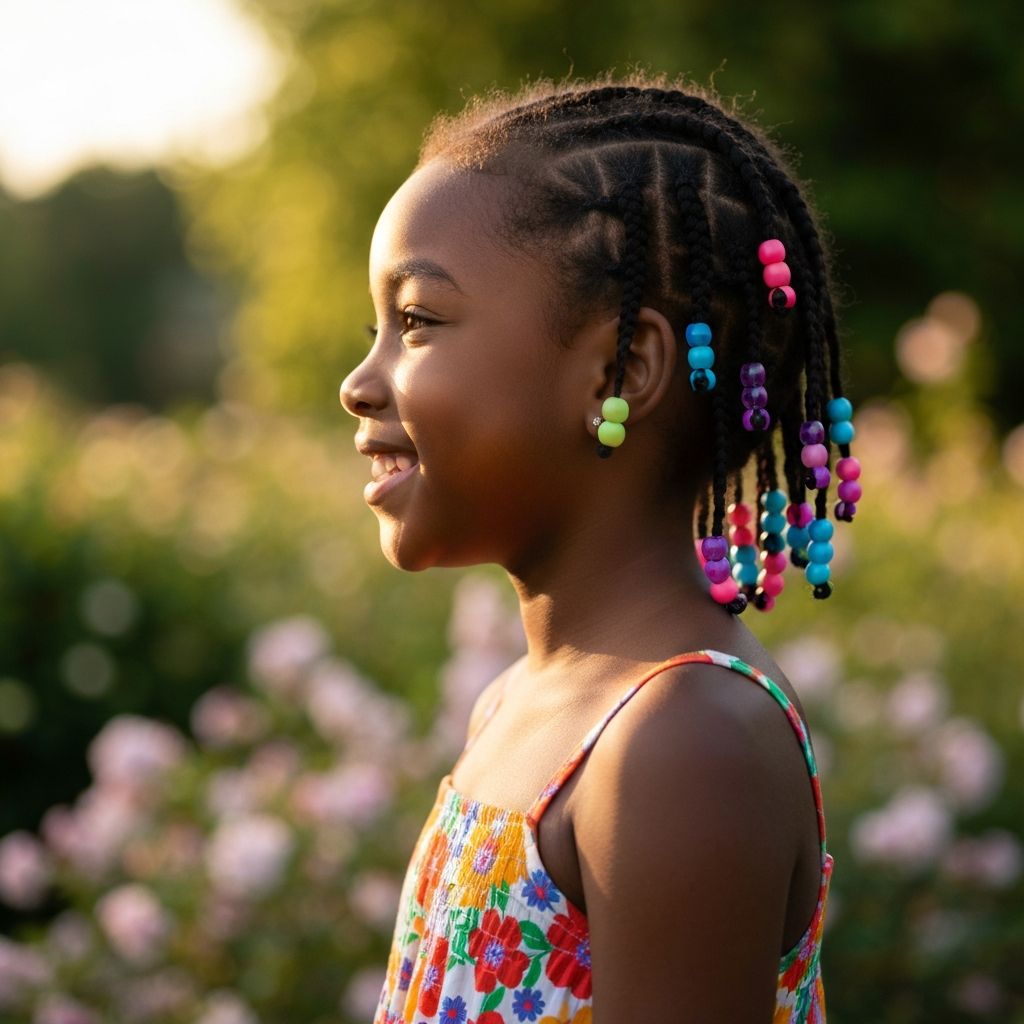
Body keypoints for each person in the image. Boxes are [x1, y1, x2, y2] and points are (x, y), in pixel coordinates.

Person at [339, 69, 855, 1023]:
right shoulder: (518, 703)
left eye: (416, 322)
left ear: (623, 369)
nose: (358, 383)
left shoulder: (682, 740)